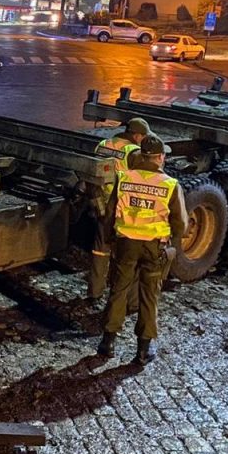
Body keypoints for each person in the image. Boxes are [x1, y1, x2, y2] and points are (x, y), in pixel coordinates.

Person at [97, 134, 187, 366]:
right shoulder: (169, 184)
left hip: (126, 244)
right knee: (149, 295)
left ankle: (107, 343)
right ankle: (144, 350)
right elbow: (181, 225)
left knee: (119, 289)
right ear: (159, 157)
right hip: (154, 248)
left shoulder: (124, 178)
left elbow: (110, 212)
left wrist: (109, 239)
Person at [88, 118, 149, 301]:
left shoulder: (103, 144)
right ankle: (123, 297)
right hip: (122, 206)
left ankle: (94, 292)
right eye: (143, 137)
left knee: (100, 250)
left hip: (101, 203)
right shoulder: (133, 151)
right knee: (126, 254)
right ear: (137, 135)